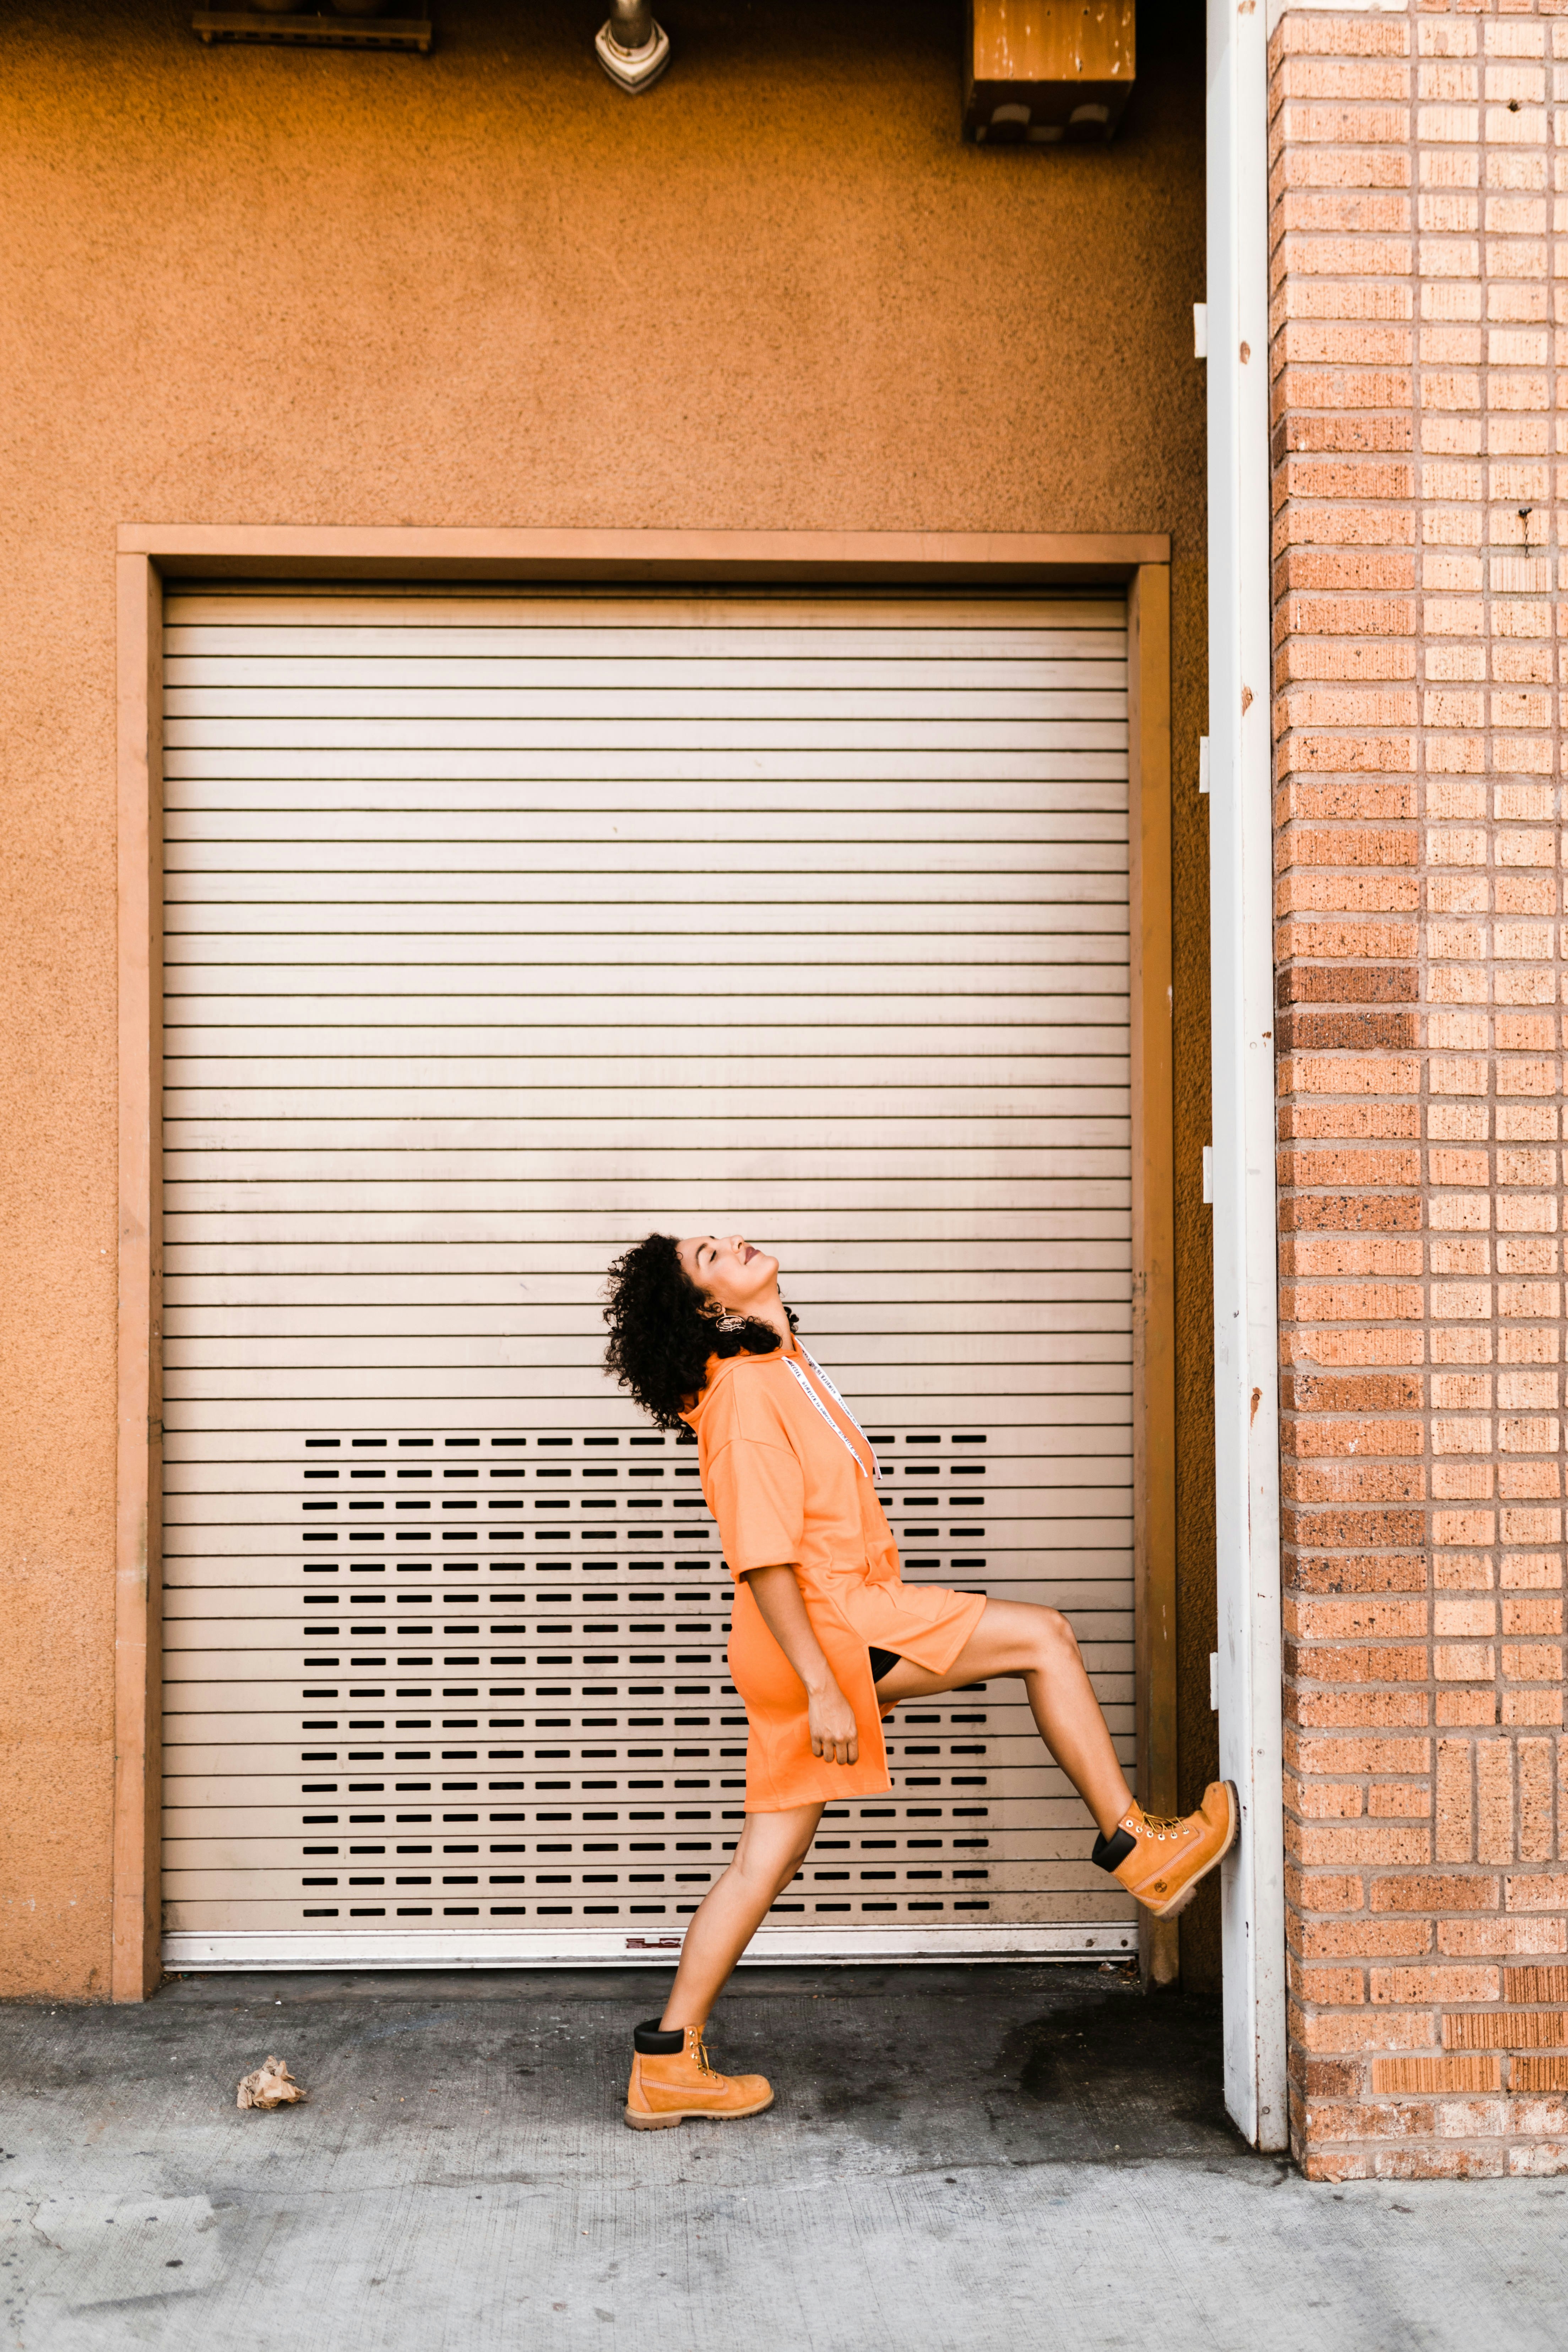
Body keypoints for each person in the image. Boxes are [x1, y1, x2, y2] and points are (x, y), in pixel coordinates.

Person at [602, 1231, 1236, 2131]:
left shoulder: (781, 1367)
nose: (732, 1239)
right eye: (709, 1254)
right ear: (706, 1305)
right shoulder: (745, 1393)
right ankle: (1138, 1846)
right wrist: (825, 1684)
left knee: (763, 1861)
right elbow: (764, 1558)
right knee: (1044, 1638)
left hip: (827, 1627)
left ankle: (667, 2061)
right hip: (828, 1629)